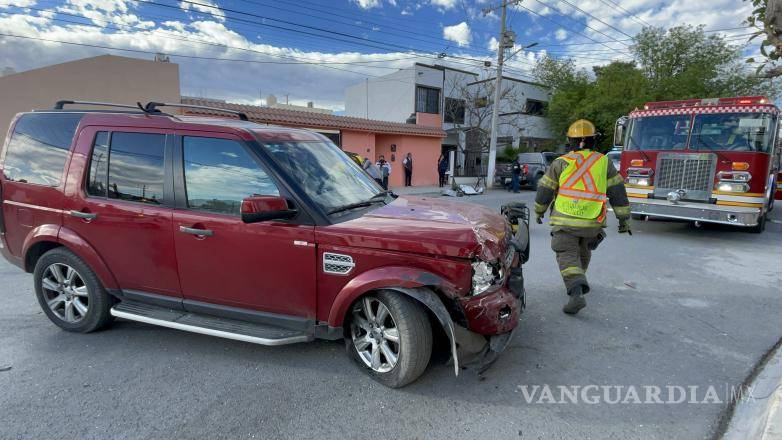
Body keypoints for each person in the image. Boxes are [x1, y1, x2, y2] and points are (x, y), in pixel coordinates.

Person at [533, 119, 632, 315]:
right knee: (583, 250)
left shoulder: (560, 162)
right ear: (593, 140)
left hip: (565, 220)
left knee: (566, 253)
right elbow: (617, 192)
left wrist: (538, 211)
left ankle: (576, 292)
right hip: (592, 221)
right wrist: (624, 220)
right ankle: (579, 279)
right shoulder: (604, 162)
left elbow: (545, 189)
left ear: (571, 140)